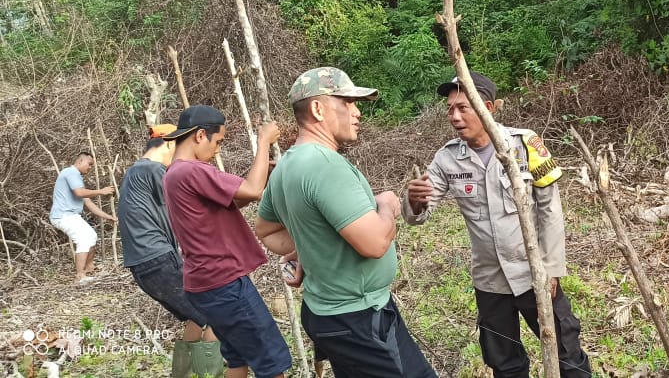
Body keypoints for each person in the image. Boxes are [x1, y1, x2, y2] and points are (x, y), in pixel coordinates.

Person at [404, 72, 591, 378]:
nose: (454, 117)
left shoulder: (525, 144)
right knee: (504, 363)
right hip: (489, 280)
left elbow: (550, 209)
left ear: (487, 108)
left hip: (533, 274)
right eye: (450, 109)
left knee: (566, 353)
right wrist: (414, 201)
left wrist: (552, 269)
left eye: (463, 108)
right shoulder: (447, 159)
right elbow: (419, 216)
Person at [255, 67, 438, 378]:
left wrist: (314, 249)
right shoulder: (325, 166)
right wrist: (388, 205)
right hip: (359, 320)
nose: (357, 112)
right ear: (318, 108)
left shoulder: (288, 163)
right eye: (348, 102)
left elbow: (266, 229)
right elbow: (376, 244)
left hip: (332, 315)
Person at [162, 105, 291, 378]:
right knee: (271, 364)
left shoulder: (175, 173)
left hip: (204, 284)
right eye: (218, 141)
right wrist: (264, 142)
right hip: (224, 283)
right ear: (200, 135)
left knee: (237, 358)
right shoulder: (192, 170)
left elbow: (234, 200)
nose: (217, 150)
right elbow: (252, 190)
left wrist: (262, 174)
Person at [117, 124, 219, 378]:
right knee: (215, 316)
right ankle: (209, 373)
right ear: (169, 143)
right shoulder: (153, 170)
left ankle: (181, 374)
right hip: (158, 259)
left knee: (197, 317)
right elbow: (185, 205)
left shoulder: (135, 172)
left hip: (144, 264)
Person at [49, 151, 116, 283]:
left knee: (91, 236)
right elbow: (80, 193)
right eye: (89, 164)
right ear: (80, 161)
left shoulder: (75, 176)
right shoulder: (71, 173)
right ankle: (80, 276)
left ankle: (89, 269)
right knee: (84, 240)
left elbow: (88, 202)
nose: (90, 167)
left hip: (70, 215)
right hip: (64, 215)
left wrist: (107, 216)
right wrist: (101, 191)